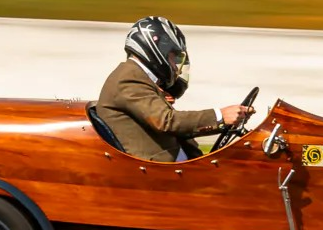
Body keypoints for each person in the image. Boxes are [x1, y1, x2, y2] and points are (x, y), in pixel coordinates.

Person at [96, 16, 253, 163]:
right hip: (161, 173)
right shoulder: (128, 78)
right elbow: (167, 122)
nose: (175, 66)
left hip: (178, 167)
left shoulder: (138, 78)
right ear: (156, 48)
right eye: (173, 57)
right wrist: (220, 116)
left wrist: (226, 123)